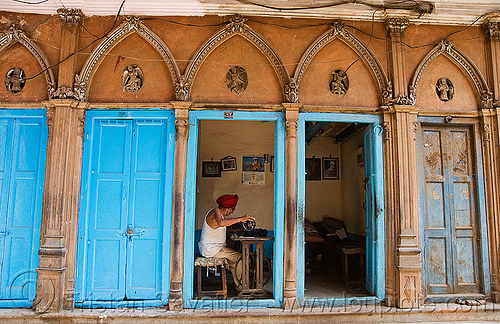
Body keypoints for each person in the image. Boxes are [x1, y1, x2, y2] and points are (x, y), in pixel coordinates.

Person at [198, 194, 254, 291]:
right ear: (228, 208)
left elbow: (216, 227)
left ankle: (237, 284)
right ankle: (242, 288)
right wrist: (240, 219)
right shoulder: (216, 211)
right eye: (232, 209)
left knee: (234, 260)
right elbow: (220, 223)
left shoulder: (219, 214)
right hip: (211, 250)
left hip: (213, 249)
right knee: (239, 257)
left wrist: (231, 231)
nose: (231, 212)